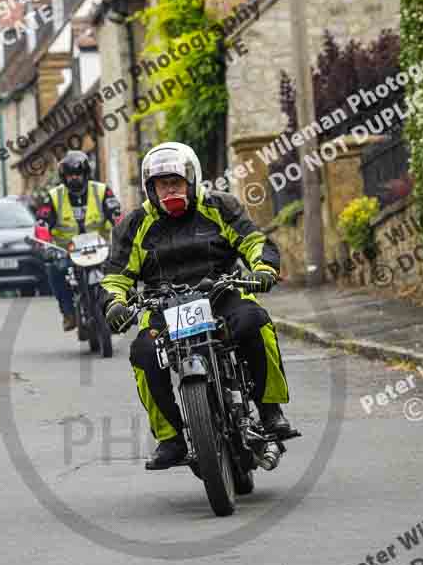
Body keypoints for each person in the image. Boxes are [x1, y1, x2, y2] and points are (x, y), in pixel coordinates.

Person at [100, 142, 292, 470]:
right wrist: (115, 304)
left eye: (176, 181)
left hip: (221, 292)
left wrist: (262, 268)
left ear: (191, 180)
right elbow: (115, 276)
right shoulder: (134, 225)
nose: (169, 189)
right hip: (164, 304)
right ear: (151, 188)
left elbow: (254, 242)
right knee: (144, 352)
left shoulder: (221, 206)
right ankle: (170, 438)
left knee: (256, 321)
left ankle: (270, 409)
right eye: (162, 184)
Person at [36, 150, 122, 332]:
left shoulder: (101, 191)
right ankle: (68, 312)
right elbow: (42, 223)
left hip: (100, 247)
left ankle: (122, 307)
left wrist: (124, 234)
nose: (74, 178)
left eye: (78, 174)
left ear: (86, 174)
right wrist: (45, 245)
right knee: (53, 269)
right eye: (69, 175)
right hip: (68, 251)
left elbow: (117, 215)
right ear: (63, 177)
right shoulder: (53, 196)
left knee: (121, 267)